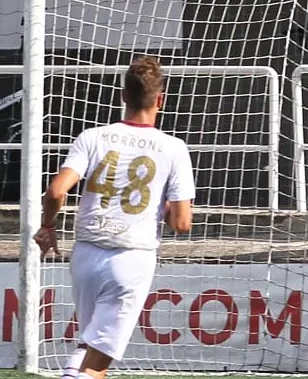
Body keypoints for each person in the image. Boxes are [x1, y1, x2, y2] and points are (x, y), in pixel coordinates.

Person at [32, 56, 197, 379]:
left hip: (86, 254)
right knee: (97, 362)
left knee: (89, 341)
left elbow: (55, 192)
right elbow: (181, 222)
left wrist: (48, 226)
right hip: (131, 258)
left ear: (123, 96)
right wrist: (158, 205)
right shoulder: (173, 148)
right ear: (160, 100)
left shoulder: (93, 137)